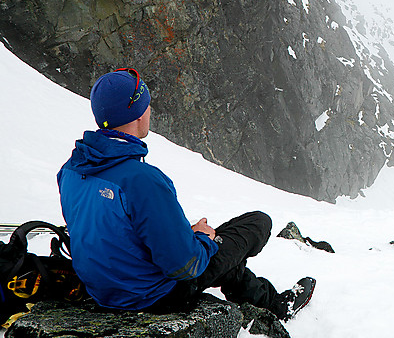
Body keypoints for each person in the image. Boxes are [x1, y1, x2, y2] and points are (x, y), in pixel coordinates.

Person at [57, 68, 314, 320]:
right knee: (256, 224)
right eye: (146, 105)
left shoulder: (70, 171)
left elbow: (113, 229)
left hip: (103, 290)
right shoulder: (141, 180)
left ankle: (263, 301)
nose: (149, 110)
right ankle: (277, 307)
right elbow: (185, 265)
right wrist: (204, 239)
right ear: (137, 113)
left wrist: (183, 236)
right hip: (153, 296)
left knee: (219, 251)